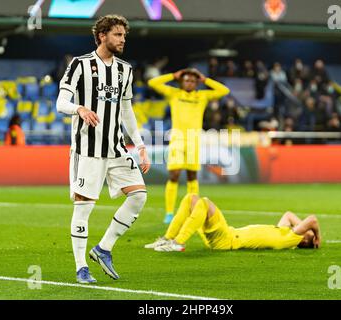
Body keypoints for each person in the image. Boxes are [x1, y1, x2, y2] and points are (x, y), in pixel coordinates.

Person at [56, 15, 151, 284]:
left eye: (124, 36)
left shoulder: (125, 70)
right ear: (102, 36)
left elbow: (126, 110)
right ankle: (80, 267)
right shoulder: (79, 65)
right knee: (84, 208)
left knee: (139, 196)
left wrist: (140, 145)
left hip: (117, 148)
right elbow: (60, 102)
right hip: (88, 150)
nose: (122, 40)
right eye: (118, 35)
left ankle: (103, 248)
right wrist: (79, 108)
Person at [148, 68, 230, 224]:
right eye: (186, 80)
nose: (189, 83)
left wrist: (205, 80)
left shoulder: (202, 96)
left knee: (192, 176)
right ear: (181, 81)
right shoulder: (174, 94)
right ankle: (169, 213)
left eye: (193, 81)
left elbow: (224, 90)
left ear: (196, 83)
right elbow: (153, 82)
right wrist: (173, 74)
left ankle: (193, 210)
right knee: (174, 175)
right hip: (177, 139)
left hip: (194, 140)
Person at [145, 194, 321, 252]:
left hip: (227, 239)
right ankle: (167, 239)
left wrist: (317, 237)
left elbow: (312, 219)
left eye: (307, 232)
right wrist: (307, 233)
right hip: (226, 235)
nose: (300, 226)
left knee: (204, 202)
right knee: (191, 198)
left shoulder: (292, 239)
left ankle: (178, 242)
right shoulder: (284, 232)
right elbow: (289, 215)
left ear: (305, 240)